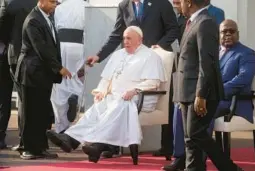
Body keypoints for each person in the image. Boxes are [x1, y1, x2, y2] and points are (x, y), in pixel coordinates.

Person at [46, 26, 167, 165]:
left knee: (120, 104)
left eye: (129, 38)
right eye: (124, 38)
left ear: (139, 40)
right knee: (97, 109)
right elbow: (107, 79)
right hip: (117, 96)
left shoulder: (150, 56)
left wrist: (134, 90)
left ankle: (97, 144)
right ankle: (70, 138)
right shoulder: (119, 54)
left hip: (140, 97)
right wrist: (101, 91)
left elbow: (153, 82)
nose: (125, 41)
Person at [87, 0, 179, 158]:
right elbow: (117, 35)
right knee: (114, 98)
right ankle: (111, 146)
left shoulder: (162, 3)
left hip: (156, 61)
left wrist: (159, 46)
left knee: (167, 105)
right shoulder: (124, 6)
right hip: (132, 66)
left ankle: (167, 146)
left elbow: (173, 29)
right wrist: (99, 55)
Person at [172, 0, 244, 170]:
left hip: (200, 92)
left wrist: (200, 94)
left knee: (195, 133)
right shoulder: (192, 22)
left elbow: (207, 62)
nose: (179, 4)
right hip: (186, 91)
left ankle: (230, 168)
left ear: (189, 2)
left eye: (181, 1)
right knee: (190, 138)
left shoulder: (206, 23)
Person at [14, 0, 72, 160]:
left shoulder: (47, 18)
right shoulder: (33, 19)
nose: (55, 5)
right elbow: (41, 48)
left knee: (42, 112)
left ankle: (40, 147)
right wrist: (59, 68)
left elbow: (52, 45)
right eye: (52, 2)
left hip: (43, 74)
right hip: (30, 72)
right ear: (42, 1)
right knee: (29, 111)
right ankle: (27, 148)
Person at [0, 0, 37, 149]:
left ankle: (1, 136)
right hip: (32, 56)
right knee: (27, 98)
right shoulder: (38, 2)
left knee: (3, 96)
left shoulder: (8, 2)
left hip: (10, 53)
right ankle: (26, 138)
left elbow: (2, 24)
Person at [51, 0, 87, 134]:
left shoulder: (60, 8)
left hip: (60, 46)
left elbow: (53, 28)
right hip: (78, 46)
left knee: (59, 83)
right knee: (77, 78)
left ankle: (62, 126)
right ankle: (75, 97)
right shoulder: (87, 7)